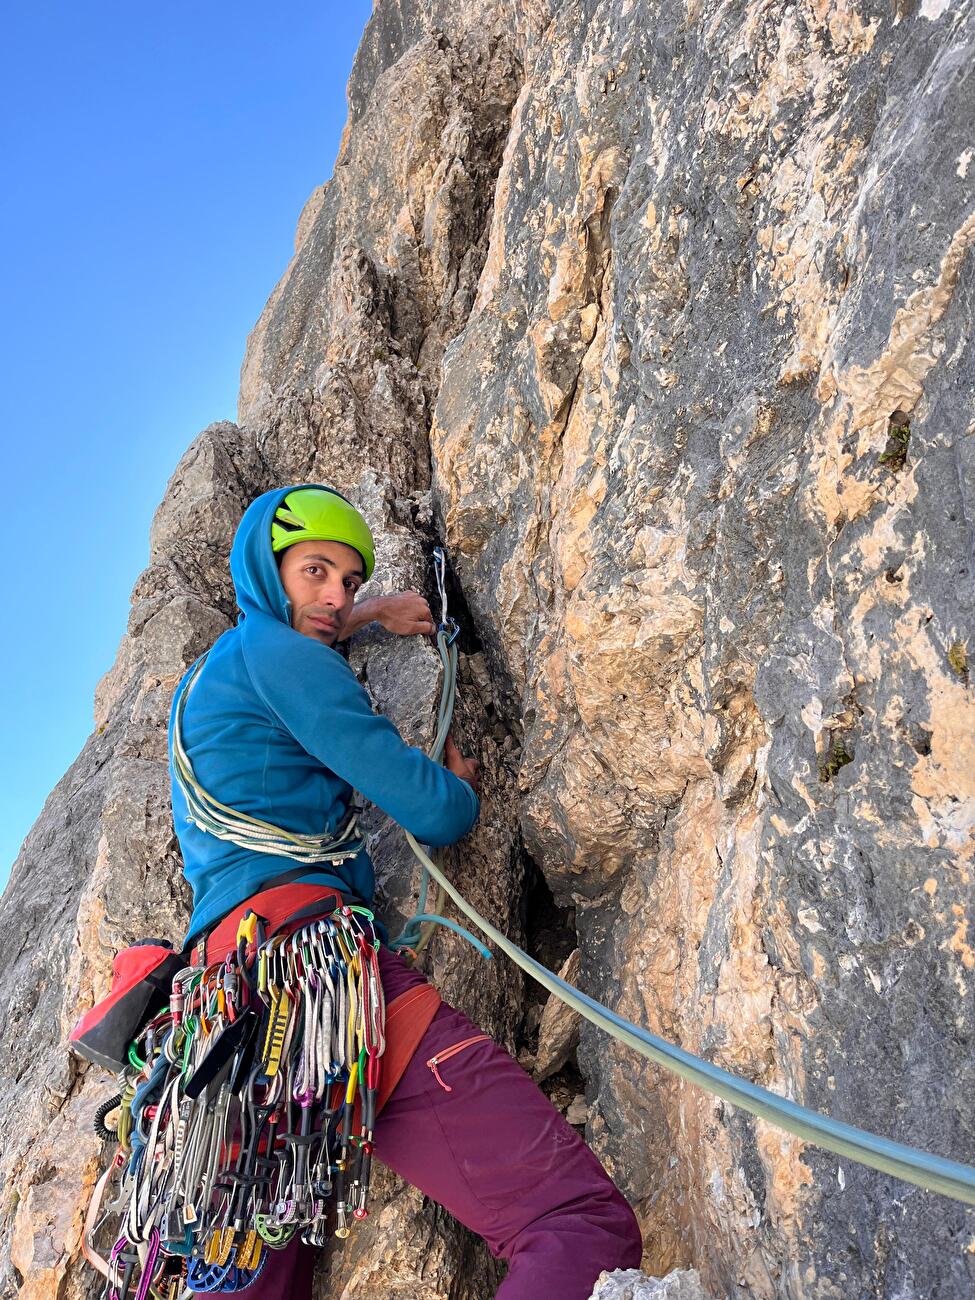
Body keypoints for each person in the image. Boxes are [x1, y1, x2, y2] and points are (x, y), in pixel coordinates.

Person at [169, 483, 642, 1298]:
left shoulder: (215, 676)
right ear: (264, 567)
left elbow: (295, 629)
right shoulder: (286, 659)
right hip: (318, 985)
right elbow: (433, 810)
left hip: (228, 1029)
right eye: (315, 571)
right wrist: (457, 786)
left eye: (348, 580)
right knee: (577, 1223)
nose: (334, 595)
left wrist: (369, 613)